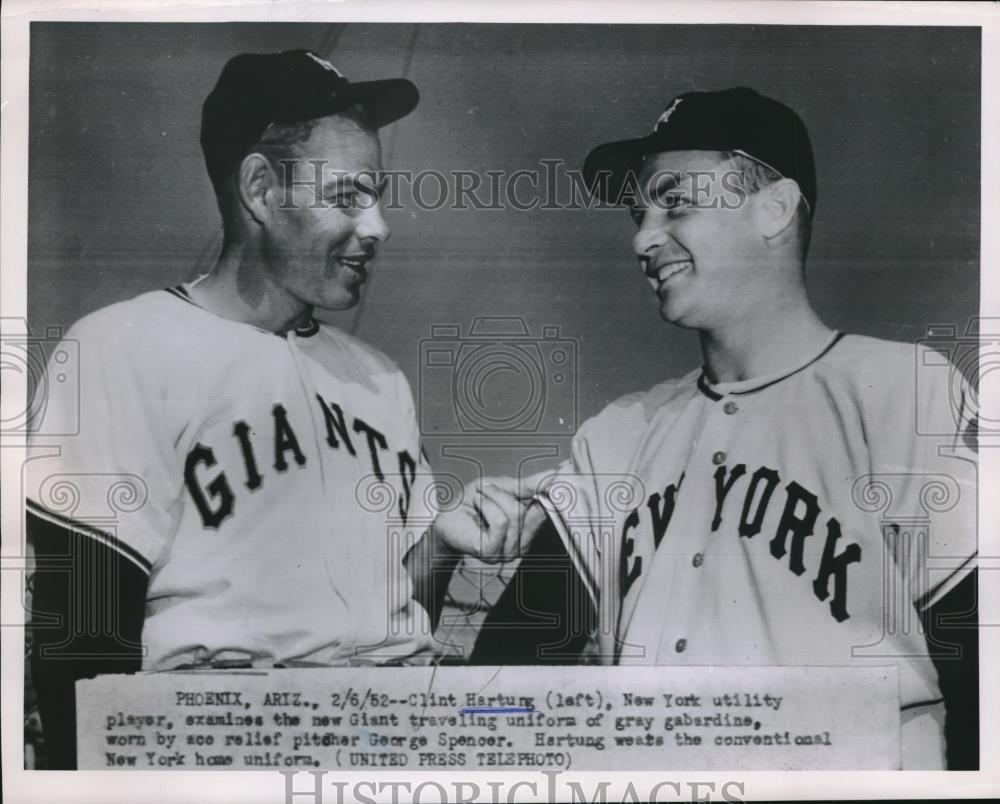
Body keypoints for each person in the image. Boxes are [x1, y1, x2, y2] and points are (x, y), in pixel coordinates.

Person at [460, 87, 979, 770]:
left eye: (675, 202)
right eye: (639, 213)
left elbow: (983, 670)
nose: (644, 237)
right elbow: (506, 682)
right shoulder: (616, 437)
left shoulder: (904, 392)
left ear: (775, 208)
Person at [25, 49, 469, 768]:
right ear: (261, 189)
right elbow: (81, 648)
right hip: (224, 748)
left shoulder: (378, 380)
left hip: (390, 747)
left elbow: (399, 619)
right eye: (349, 196)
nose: (379, 227)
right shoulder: (121, 348)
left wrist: (441, 546)